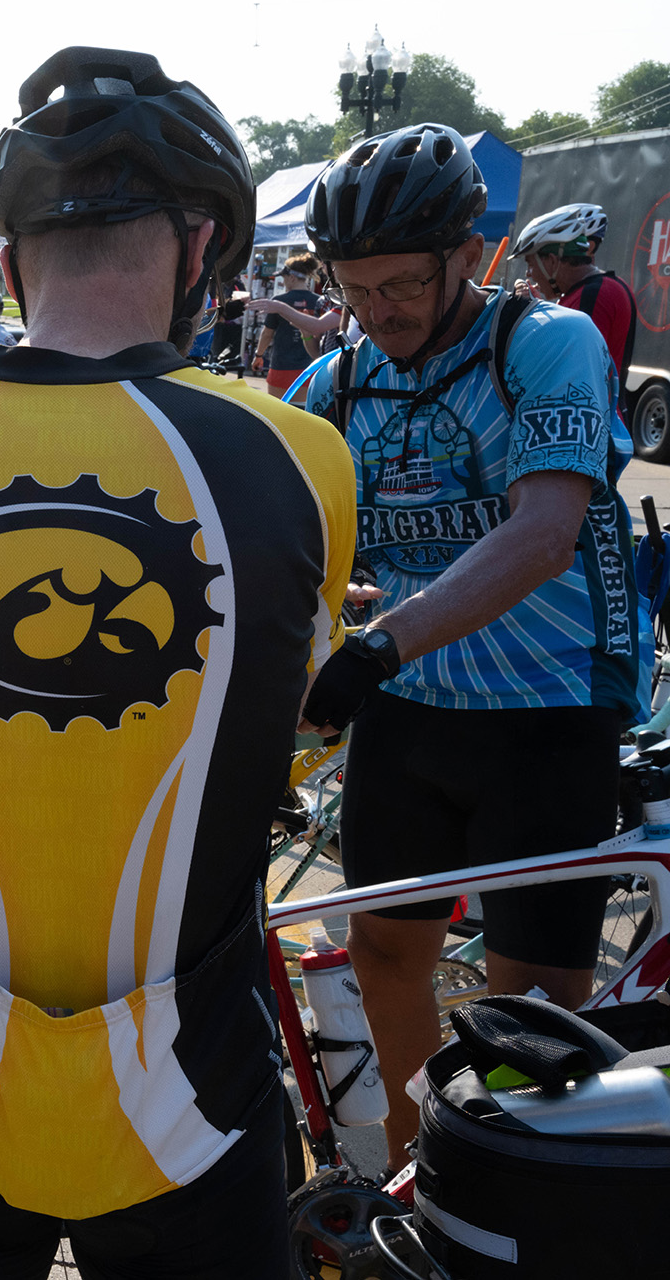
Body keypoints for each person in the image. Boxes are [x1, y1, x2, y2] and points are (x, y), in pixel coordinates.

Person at [0, 45, 349, 1277]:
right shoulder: (298, 458)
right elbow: (299, 725)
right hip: (190, 1106)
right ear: (203, 251)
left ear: (5, 262)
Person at [293, 123, 645, 1169]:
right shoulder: (336, 382)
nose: (375, 312)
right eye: (353, 290)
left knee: (529, 1011)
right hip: (413, 704)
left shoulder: (541, 341)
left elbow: (540, 535)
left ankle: (496, 1170)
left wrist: (371, 647)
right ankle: (416, 1166)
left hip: (546, 708)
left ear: (469, 256)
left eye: (399, 284)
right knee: (382, 950)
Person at [510, 203, 638, 421]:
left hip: (588, 426)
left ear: (552, 260)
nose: (529, 274)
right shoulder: (588, 291)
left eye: (530, 263)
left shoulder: (595, 294)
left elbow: (568, 368)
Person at [250, 252, 328, 398]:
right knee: (304, 414)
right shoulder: (319, 301)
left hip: (281, 368)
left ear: (292, 277)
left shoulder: (279, 302)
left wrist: (258, 355)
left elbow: (267, 333)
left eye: (284, 278)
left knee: (278, 414)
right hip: (311, 369)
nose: (284, 282)